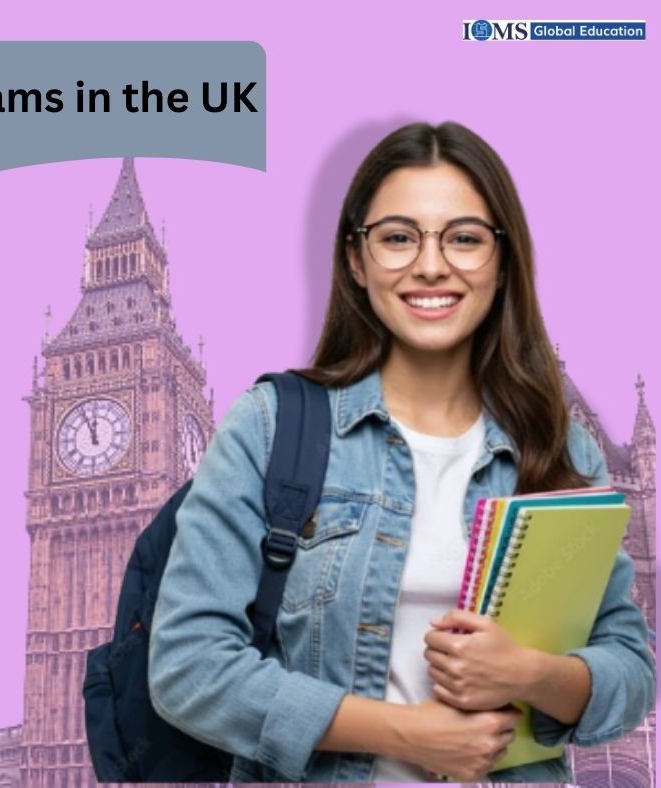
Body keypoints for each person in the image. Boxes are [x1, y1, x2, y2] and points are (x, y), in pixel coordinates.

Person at [147, 121, 656, 783]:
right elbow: (188, 668)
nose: (431, 264)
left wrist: (531, 674)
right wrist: (411, 734)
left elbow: (631, 666)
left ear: (503, 261)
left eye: (464, 238)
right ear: (356, 260)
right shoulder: (271, 428)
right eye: (397, 237)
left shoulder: (559, 444)